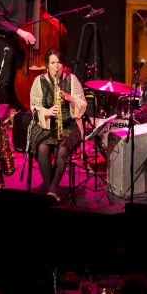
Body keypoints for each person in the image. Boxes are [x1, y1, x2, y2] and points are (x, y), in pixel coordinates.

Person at [29, 47, 86, 202]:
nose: (56, 66)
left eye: (59, 62)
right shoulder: (39, 81)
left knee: (62, 150)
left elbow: (83, 105)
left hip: (69, 124)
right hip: (45, 125)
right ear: (47, 65)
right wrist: (47, 112)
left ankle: (52, 188)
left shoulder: (71, 79)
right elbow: (34, 107)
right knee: (42, 147)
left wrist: (70, 98)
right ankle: (51, 190)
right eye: (53, 63)